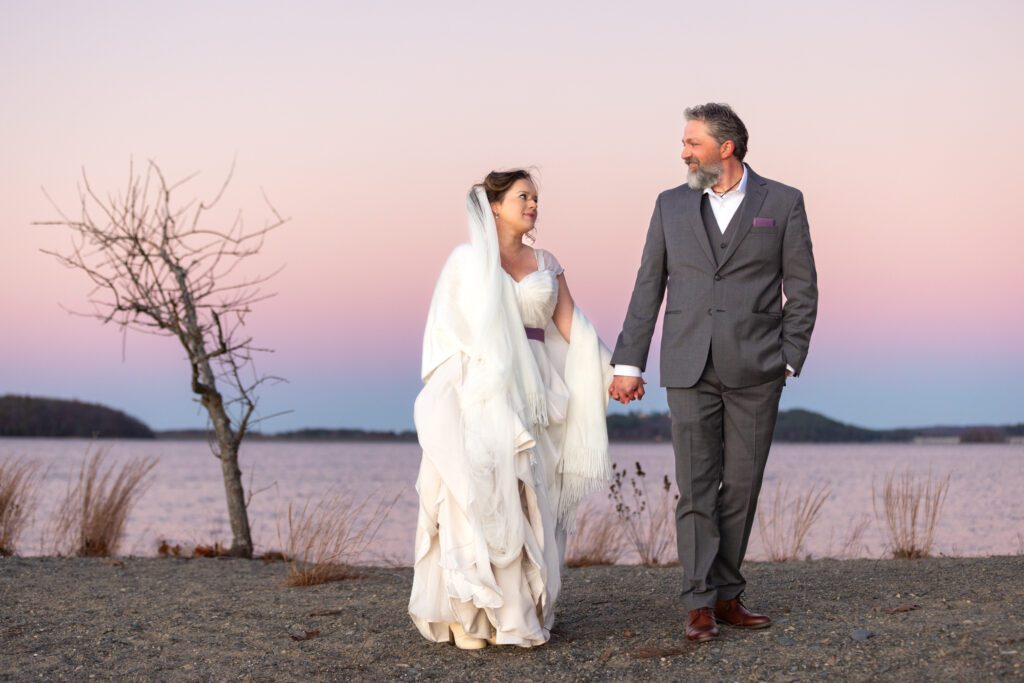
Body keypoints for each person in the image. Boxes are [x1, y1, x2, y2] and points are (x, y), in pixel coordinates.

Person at [609, 103, 818, 642]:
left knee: (741, 488)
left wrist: (788, 357)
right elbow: (647, 286)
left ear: (726, 147)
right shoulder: (670, 206)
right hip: (687, 364)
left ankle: (728, 595)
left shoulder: (784, 202)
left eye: (692, 143)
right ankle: (700, 601)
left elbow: (804, 288)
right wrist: (628, 362)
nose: (683, 152)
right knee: (696, 485)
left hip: (757, 367)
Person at [409, 170, 613, 648]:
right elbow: (446, 332)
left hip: (537, 391)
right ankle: (473, 618)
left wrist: (613, 372)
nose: (533, 205)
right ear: (494, 205)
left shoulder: (546, 261)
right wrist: (473, 386)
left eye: (536, 198)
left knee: (532, 495)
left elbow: (572, 326)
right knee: (482, 495)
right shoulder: (466, 261)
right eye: (524, 196)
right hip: (482, 391)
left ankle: (520, 611)